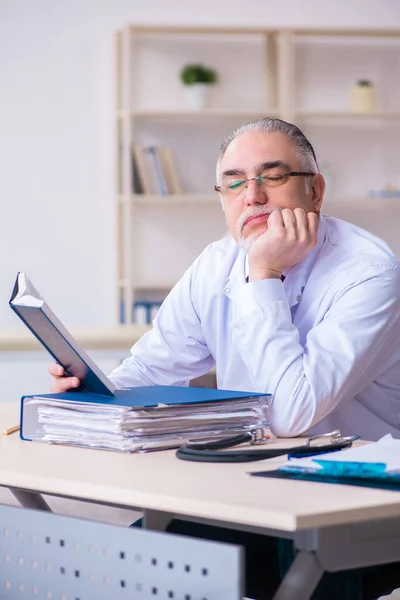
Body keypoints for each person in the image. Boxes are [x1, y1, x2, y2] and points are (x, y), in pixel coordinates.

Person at [49, 118, 400, 599]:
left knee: (298, 566)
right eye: (234, 182)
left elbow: (290, 414)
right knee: (138, 555)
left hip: (357, 499)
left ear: (315, 192)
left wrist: (265, 273)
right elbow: (150, 369)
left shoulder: (370, 273)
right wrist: (90, 394)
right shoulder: (215, 265)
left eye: (272, 177)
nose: (251, 195)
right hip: (255, 487)